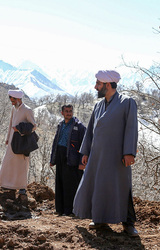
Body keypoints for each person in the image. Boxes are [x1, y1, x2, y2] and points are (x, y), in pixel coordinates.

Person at [72, 70, 139, 237]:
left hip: (118, 156)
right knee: (98, 186)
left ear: (108, 85)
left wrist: (129, 152)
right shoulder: (98, 105)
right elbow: (90, 131)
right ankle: (99, 219)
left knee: (122, 187)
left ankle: (128, 224)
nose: (95, 87)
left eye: (98, 84)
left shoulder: (127, 102)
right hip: (97, 156)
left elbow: (131, 128)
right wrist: (86, 151)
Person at [0, 89, 36, 195]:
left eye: (13, 100)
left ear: (18, 99)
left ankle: (22, 187)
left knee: (22, 164)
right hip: (12, 141)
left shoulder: (27, 110)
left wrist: (19, 129)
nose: (11, 102)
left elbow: (34, 126)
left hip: (22, 142)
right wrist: (8, 138)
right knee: (9, 162)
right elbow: (10, 124)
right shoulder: (14, 109)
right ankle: (8, 185)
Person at [50, 104, 86, 216]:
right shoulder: (60, 125)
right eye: (66, 111)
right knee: (60, 182)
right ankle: (60, 209)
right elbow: (55, 142)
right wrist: (53, 159)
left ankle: (70, 210)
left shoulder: (79, 126)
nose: (69, 113)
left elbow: (84, 145)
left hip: (72, 158)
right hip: (60, 156)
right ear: (62, 113)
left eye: (70, 111)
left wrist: (81, 162)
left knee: (70, 185)